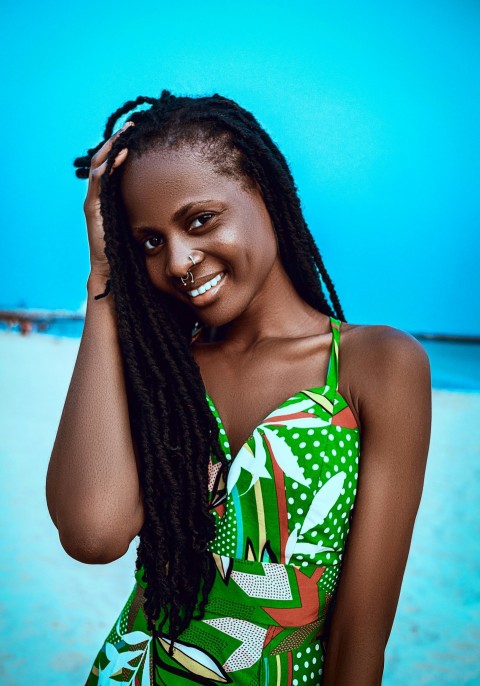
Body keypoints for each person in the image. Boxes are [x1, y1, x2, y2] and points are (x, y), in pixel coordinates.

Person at [46, 90, 432, 686]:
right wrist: (104, 276)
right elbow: (94, 534)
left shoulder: (376, 365)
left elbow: (361, 633)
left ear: (265, 193)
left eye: (199, 220)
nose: (178, 261)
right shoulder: (164, 375)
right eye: (149, 242)